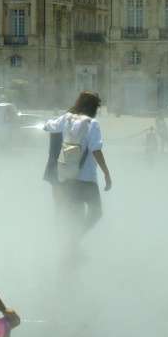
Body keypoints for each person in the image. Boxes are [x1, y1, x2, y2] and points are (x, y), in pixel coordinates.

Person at [43, 91, 113, 236]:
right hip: (87, 179)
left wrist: (45, 125)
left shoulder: (67, 118)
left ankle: (69, 243)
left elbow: (51, 126)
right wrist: (106, 173)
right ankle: (75, 239)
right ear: (93, 107)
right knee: (96, 213)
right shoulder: (92, 123)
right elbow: (96, 150)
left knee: (71, 214)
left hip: (68, 176)